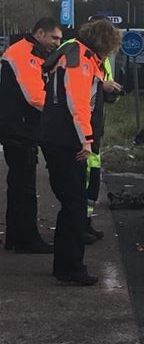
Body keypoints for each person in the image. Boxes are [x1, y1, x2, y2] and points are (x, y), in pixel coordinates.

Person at [40, 19, 120, 285]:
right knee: (74, 206)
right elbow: (78, 103)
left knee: (70, 204)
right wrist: (86, 141)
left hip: (57, 137)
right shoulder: (80, 60)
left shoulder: (73, 52)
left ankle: (64, 265)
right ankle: (72, 268)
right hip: (66, 140)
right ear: (104, 42)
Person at [0, 18, 63, 253]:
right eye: (54, 38)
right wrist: (59, 114)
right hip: (18, 128)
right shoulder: (23, 54)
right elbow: (34, 96)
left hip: (19, 126)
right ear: (39, 33)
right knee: (24, 185)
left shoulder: (30, 51)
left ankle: (16, 237)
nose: (58, 43)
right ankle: (26, 239)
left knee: (19, 183)